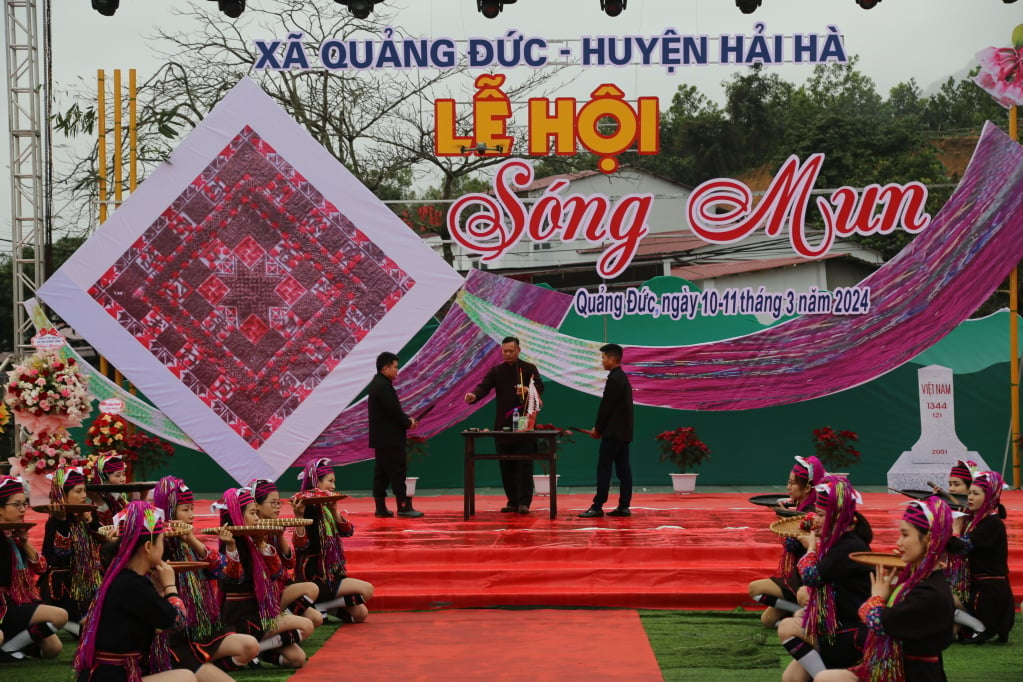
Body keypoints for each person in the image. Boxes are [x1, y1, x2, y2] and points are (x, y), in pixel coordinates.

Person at [816, 496, 957, 682]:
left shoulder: (930, 593)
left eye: (905, 535)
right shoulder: (919, 581)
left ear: (930, 540)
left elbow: (877, 622)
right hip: (893, 667)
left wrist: (877, 598)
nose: (898, 543)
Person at [72, 500, 195, 681]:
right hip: (114, 676)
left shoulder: (123, 577)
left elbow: (154, 619)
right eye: (161, 542)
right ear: (147, 547)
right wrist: (170, 587)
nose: (163, 548)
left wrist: (159, 591)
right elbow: (176, 621)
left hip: (109, 673)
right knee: (185, 678)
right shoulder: (133, 584)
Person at [151, 477, 259, 675]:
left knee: (250, 646)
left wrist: (192, 540)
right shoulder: (156, 547)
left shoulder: (191, 544)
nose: (192, 515)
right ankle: (197, 668)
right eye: (185, 510)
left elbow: (223, 572)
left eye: (192, 508)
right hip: (177, 637)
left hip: (204, 630)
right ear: (168, 511)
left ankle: (205, 666)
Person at [778, 476, 872, 682]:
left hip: (852, 632)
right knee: (791, 678)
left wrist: (810, 548)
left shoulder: (848, 546)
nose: (815, 520)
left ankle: (824, 677)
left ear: (838, 515)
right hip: (836, 623)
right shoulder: (839, 539)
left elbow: (811, 576)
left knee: (787, 626)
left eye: (821, 515)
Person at [215, 487, 313, 669]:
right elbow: (233, 580)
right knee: (306, 625)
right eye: (253, 513)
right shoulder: (229, 546)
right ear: (238, 516)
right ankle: (241, 652)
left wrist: (262, 544)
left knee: (297, 658)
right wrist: (231, 549)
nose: (257, 518)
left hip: (260, 610)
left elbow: (278, 572)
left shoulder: (255, 540)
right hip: (241, 616)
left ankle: (254, 650)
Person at [464, 336, 545, 514]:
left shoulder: (529, 369)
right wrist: (474, 396)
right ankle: (512, 501)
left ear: (518, 350)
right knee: (505, 465)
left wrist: (527, 390)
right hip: (503, 425)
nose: (507, 354)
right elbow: (484, 386)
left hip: (524, 424)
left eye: (511, 351)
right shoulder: (497, 371)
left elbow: (539, 389)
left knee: (524, 465)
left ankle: (524, 502)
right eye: (504, 351)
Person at [749, 455, 826, 627]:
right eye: (788, 482)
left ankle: (807, 612)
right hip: (798, 574)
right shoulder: (800, 507)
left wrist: (784, 518)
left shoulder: (811, 513)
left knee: (755, 589)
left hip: (805, 579)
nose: (788, 487)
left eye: (792, 483)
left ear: (807, 487)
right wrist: (785, 515)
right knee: (768, 620)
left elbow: (792, 544)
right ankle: (800, 613)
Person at [293, 459, 374, 622]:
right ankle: (317, 604)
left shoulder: (326, 508)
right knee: (367, 590)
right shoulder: (307, 508)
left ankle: (322, 606)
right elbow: (301, 545)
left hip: (331, 574)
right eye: (330, 481)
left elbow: (348, 531)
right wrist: (298, 517)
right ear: (317, 481)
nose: (334, 486)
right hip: (314, 576)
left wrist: (334, 510)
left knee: (360, 614)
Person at [0, 475, 67, 661]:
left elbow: (41, 567)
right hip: (4, 606)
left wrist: (25, 542)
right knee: (60, 616)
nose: (23, 509)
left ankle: (10, 647)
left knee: (53, 649)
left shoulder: (16, 536)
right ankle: (9, 649)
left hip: (20, 602)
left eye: (24, 504)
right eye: (17, 505)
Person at [951, 470, 1015, 645]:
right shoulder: (976, 521)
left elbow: (960, 547)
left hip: (989, 594)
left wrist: (955, 530)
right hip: (981, 587)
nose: (970, 497)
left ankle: (980, 626)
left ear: (989, 497)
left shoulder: (992, 524)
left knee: (942, 597)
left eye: (976, 493)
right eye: (969, 492)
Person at [249, 478, 323, 627]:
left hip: (283, 585)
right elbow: (273, 571)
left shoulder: (275, 526)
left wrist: (281, 535)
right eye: (273, 503)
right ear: (257, 505)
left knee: (316, 619)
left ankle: (284, 619)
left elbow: (290, 563)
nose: (278, 507)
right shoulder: (253, 531)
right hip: (267, 590)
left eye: (279, 502)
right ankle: (274, 621)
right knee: (311, 588)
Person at [39, 466, 102, 638]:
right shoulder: (55, 522)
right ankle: (69, 622)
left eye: (84, 491)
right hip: (63, 587)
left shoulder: (83, 517)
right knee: (96, 631)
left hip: (85, 583)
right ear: (63, 495)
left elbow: (102, 542)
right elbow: (61, 554)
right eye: (79, 491)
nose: (84, 496)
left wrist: (89, 522)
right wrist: (61, 522)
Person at [579, 343, 634, 518]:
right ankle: (624, 506)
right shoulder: (622, 378)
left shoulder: (614, 379)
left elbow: (606, 407)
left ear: (612, 359)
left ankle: (597, 506)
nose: (602, 361)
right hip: (623, 434)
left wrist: (598, 429)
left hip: (613, 434)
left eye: (603, 358)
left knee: (604, 468)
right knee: (623, 469)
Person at [368, 351, 422, 518]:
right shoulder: (383, 386)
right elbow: (394, 412)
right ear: (385, 368)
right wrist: (408, 422)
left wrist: (405, 420)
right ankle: (404, 507)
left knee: (382, 473)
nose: (397, 370)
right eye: (395, 367)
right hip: (390, 439)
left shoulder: (377, 384)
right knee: (398, 472)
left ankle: (380, 507)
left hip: (381, 439)